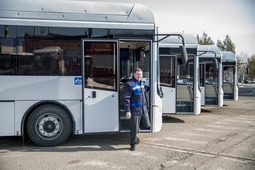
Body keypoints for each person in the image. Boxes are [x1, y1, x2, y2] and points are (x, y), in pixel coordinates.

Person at [124, 68, 150, 151]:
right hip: (135, 110)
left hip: (143, 109)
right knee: (134, 129)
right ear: (134, 74)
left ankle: (136, 135)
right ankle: (133, 144)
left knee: (147, 125)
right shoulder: (129, 84)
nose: (139, 76)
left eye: (141, 74)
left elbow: (143, 90)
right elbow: (126, 98)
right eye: (138, 74)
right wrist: (128, 111)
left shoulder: (141, 83)